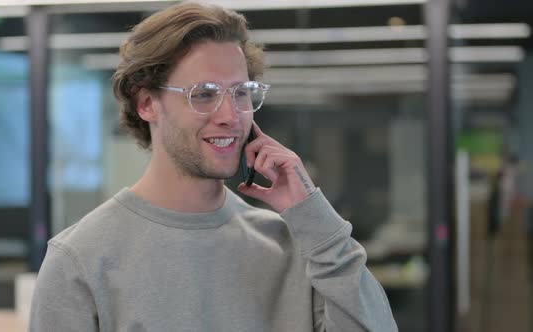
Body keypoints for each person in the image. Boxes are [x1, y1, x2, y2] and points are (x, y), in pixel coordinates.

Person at [29, 2, 397, 331]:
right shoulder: (80, 260)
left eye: (240, 93)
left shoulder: (293, 246)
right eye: (203, 94)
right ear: (146, 104)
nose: (230, 116)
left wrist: (315, 217)